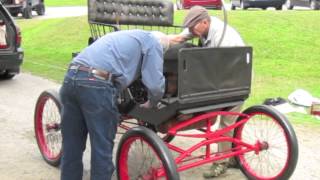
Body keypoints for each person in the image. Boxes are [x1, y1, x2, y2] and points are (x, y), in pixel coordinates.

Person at [59, 29, 170, 180]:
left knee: (72, 145)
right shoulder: (153, 42)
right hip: (96, 84)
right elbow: (155, 85)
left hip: (70, 78)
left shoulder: (128, 35)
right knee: (101, 148)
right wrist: (152, 102)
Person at [171, 6, 245, 178]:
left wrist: (193, 108)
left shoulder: (221, 36)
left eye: (193, 27)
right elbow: (181, 37)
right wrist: (160, 43)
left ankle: (221, 162)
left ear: (205, 22)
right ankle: (232, 155)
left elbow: (215, 69)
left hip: (234, 80)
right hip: (221, 78)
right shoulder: (202, 28)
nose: (191, 30)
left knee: (226, 122)